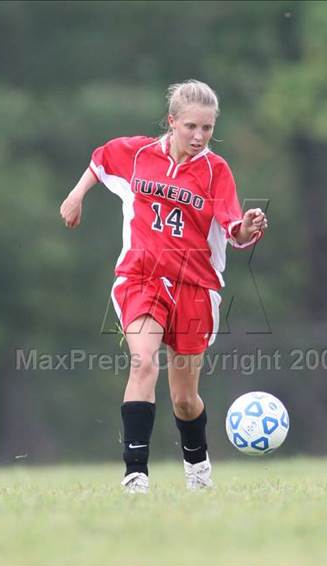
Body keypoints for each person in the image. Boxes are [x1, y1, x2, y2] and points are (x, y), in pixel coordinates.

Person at [60, 79, 268, 493]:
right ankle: (135, 474)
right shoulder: (137, 153)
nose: (199, 136)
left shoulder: (216, 170)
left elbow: (234, 231)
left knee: (185, 400)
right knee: (142, 362)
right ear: (171, 122)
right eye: (191, 126)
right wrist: (76, 194)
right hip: (141, 278)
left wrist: (246, 227)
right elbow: (100, 161)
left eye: (207, 129)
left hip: (195, 286)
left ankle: (197, 467)